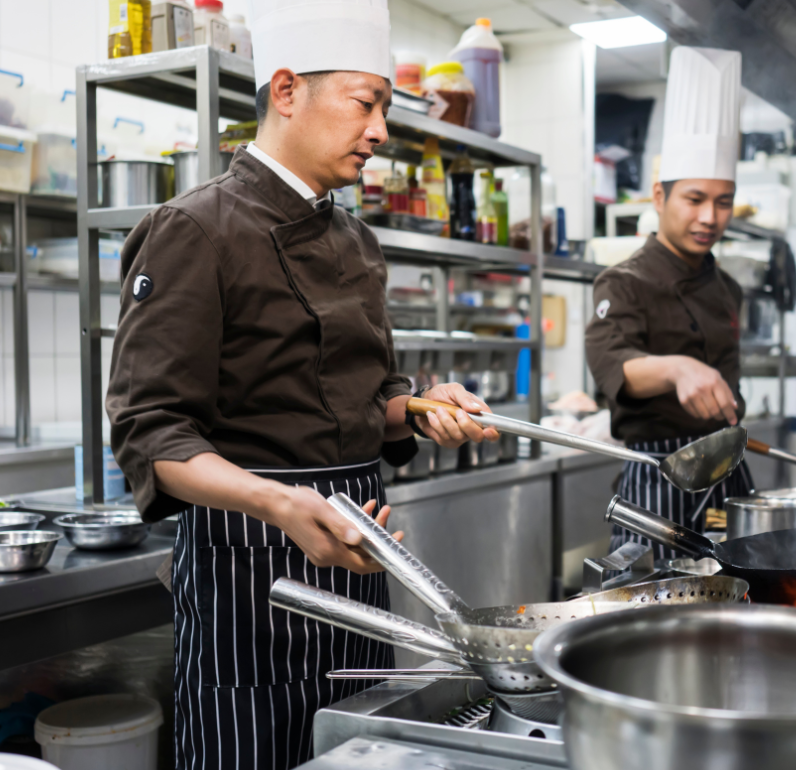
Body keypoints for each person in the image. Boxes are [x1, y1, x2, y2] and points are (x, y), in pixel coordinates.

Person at [106, 1, 497, 767]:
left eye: (384, 106)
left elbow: (364, 397)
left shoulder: (357, 240)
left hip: (360, 558)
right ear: (286, 91)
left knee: (362, 752)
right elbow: (152, 435)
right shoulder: (196, 229)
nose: (381, 130)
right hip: (252, 577)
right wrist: (281, 503)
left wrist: (417, 409)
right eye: (366, 102)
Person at [586, 47, 753, 559]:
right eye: (695, 199)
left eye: (723, 202)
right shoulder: (625, 281)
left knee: (737, 608)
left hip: (727, 476)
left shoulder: (728, 287)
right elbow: (614, 365)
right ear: (659, 197)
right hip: (658, 481)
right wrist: (678, 369)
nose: (710, 217)